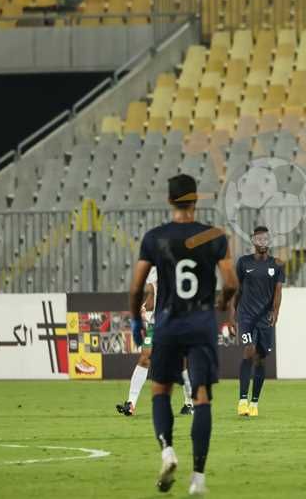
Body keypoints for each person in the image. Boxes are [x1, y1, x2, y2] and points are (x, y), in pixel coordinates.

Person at [129, 174, 238, 494]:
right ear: (195, 199)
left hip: (167, 323)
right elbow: (231, 282)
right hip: (201, 324)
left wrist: (135, 319)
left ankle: (167, 452)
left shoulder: (154, 238)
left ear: (169, 200)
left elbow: (136, 287)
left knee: (160, 390)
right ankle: (198, 479)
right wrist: (223, 302)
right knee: (202, 397)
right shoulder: (214, 236)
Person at [116, 266, 194, 417]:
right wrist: (144, 307)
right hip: (156, 324)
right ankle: (131, 403)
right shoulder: (153, 269)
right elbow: (153, 295)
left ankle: (190, 402)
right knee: (145, 358)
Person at [230, 226, 285, 418]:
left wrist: (276, 311)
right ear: (253, 241)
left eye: (265, 239)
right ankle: (242, 401)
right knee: (249, 351)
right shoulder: (243, 263)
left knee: (261, 358)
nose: (262, 242)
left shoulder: (277, 264)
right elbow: (237, 290)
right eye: (259, 239)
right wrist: (232, 314)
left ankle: (254, 402)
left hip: (264, 318)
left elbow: (278, 291)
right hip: (246, 316)